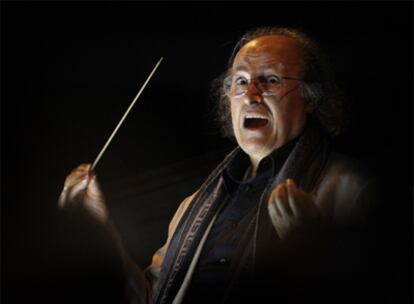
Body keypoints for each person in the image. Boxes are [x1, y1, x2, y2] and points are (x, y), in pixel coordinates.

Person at [58, 27, 381, 304]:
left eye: (269, 79)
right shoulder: (193, 206)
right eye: (239, 82)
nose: (251, 95)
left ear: (310, 97)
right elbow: (151, 298)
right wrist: (97, 228)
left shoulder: (354, 189)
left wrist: (315, 248)